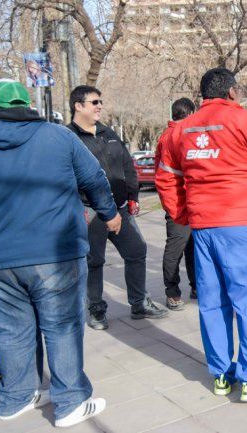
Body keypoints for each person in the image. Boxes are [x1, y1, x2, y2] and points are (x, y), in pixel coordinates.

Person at [0, 79, 117, 427]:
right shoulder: (58, 136)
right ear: (28, 103)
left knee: (11, 329)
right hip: (54, 252)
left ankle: (16, 397)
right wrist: (110, 213)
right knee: (61, 326)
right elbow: (94, 179)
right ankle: (70, 402)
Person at [157, 68, 247, 402]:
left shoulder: (181, 130)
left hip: (203, 230)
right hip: (241, 226)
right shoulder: (245, 121)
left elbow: (166, 179)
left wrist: (185, 215)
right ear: (231, 92)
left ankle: (220, 376)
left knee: (213, 303)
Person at [68, 85, 168, 330]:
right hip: (90, 211)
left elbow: (127, 167)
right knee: (94, 261)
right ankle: (96, 310)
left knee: (137, 250)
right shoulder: (68, 137)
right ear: (78, 106)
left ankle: (139, 303)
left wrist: (132, 196)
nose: (99, 105)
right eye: (94, 102)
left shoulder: (108, 133)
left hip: (120, 208)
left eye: (100, 101)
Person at [155, 98, 198, 310]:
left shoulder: (178, 134)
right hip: (178, 206)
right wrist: (173, 209)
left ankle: (196, 286)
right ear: (190, 114)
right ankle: (172, 292)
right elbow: (164, 178)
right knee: (175, 250)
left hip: (190, 205)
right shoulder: (174, 136)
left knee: (193, 249)